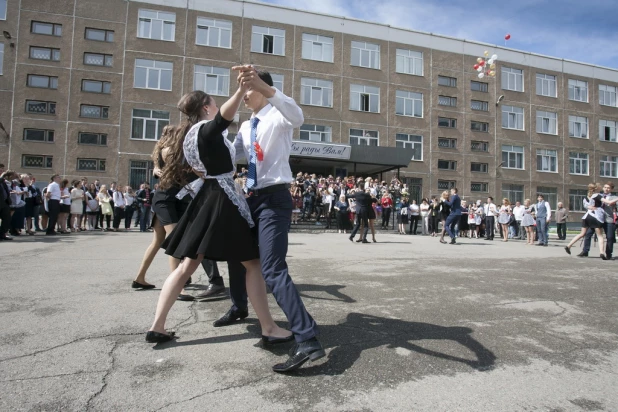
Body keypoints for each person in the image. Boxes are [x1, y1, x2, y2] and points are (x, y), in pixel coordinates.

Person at [150, 85, 293, 357]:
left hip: (207, 198)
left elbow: (198, 166)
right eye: (214, 102)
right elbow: (222, 120)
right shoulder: (205, 130)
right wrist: (240, 91)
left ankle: (158, 325)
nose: (218, 106)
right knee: (253, 264)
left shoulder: (189, 134)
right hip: (221, 199)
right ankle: (269, 328)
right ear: (206, 107)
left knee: (185, 267)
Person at [225, 67, 325, 372]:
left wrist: (266, 88)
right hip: (250, 199)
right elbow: (230, 156)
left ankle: (307, 340)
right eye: (242, 90)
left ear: (262, 87)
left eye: (248, 89)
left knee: (272, 268)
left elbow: (298, 116)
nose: (244, 95)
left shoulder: (279, 114)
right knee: (239, 256)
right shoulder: (246, 125)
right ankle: (240, 306)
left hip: (274, 199)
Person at [565, 183, 607, 259]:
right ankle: (601, 253)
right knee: (600, 235)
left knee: (583, 234)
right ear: (597, 188)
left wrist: (589, 207)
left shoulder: (589, 196)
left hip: (587, 216)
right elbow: (607, 202)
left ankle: (569, 245)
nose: (601, 186)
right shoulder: (598, 195)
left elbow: (586, 205)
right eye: (600, 186)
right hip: (595, 216)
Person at [0, 168, 12, 240]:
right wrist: (1, 176)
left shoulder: (3, 181)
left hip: (4, 202)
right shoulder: (1, 179)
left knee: (7, 218)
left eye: (2, 171)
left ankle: (2, 234)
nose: (2, 172)